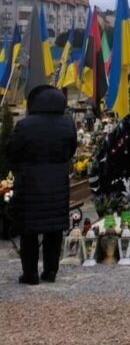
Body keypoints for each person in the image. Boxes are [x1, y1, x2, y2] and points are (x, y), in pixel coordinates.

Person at [5, 85, 77, 284]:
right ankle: (51, 271)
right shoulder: (67, 123)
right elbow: (71, 150)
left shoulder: (25, 125)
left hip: (30, 183)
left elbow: (11, 150)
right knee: (54, 229)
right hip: (58, 184)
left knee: (29, 231)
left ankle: (31, 274)